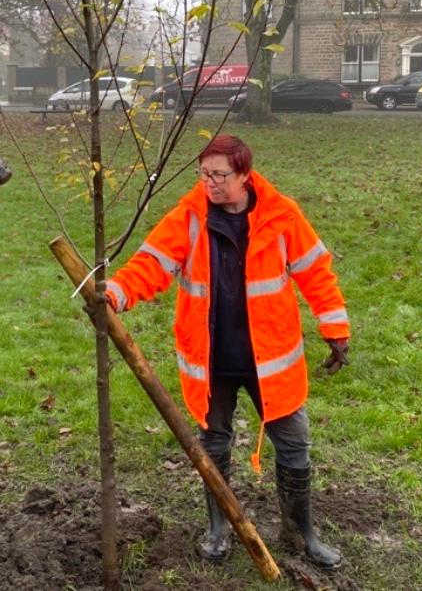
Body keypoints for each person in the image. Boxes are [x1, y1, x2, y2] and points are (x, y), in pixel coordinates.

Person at [103, 134, 350, 569]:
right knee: (213, 444)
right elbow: (152, 262)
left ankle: (300, 532)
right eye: (204, 174)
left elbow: (315, 271)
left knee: (293, 446)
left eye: (219, 175)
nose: (210, 183)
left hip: (270, 362)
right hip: (211, 360)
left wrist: (334, 326)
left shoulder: (281, 215)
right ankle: (219, 527)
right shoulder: (190, 216)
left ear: (244, 176)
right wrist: (117, 293)